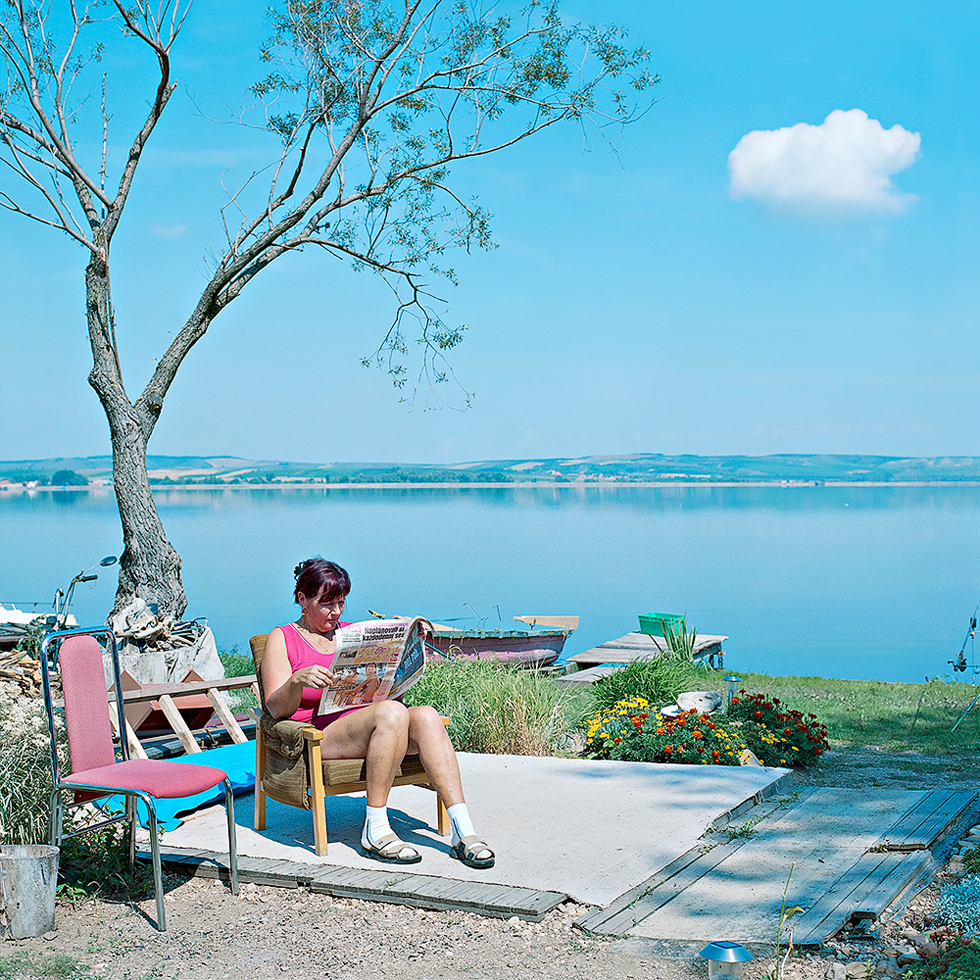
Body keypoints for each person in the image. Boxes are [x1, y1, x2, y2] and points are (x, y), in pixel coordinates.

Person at [261, 558, 495, 868]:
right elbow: (275, 709)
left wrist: (403, 664)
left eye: (341, 603)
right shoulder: (283, 638)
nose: (336, 612)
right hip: (317, 735)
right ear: (302, 599)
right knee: (392, 714)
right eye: (326, 604)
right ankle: (375, 829)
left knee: (426, 716)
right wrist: (297, 681)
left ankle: (463, 831)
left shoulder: (350, 633)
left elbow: (385, 695)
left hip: (370, 726)